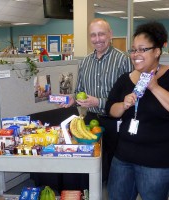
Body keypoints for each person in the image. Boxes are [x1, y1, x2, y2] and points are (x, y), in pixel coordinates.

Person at [105, 21, 169, 200]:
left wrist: (155, 87)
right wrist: (124, 105)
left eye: (142, 49)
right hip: (124, 156)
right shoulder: (125, 79)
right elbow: (111, 109)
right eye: (133, 50)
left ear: (157, 51)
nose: (136, 55)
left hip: (160, 160)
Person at [60, 18, 133, 187]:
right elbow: (79, 90)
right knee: (93, 160)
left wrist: (98, 101)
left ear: (110, 35)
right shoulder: (85, 62)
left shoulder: (122, 60)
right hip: (91, 119)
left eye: (101, 34)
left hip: (115, 120)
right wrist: (72, 98)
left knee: (116, 162)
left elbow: (128, 97)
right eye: (93, 35)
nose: (97, 39)